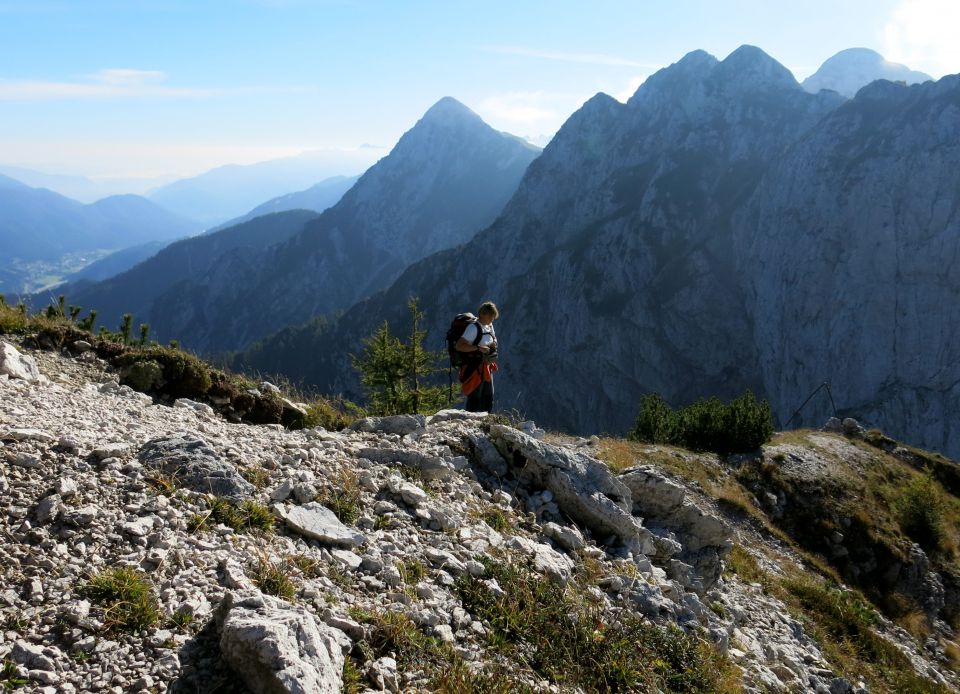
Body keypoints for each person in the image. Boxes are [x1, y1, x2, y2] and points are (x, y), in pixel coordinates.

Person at [456, 301, 499, 412]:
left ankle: (486, 422)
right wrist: (479, 348)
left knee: (488, 396)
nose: (492, 319)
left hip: (487, 366)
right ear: (483, 314)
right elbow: (459, 346)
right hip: (474, 367)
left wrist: (493, 343)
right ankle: (471, 422)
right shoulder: (473, 328)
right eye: (491, 316)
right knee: (475, 396)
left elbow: (493, 337)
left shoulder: (489, 325)